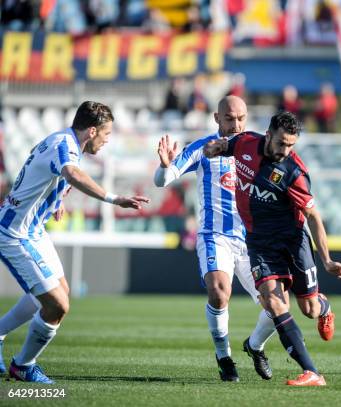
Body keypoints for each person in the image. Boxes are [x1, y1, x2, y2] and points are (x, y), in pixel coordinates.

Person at [0, 101, 150, 383]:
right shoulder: (65, 147)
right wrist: (113, 198)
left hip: (32, 229)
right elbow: (70, 173)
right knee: (57, 305)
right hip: (15, 233)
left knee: (60, 291)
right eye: (106, 134)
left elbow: (38, 168)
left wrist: (54, 200)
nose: (107, 140)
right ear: (92, 131)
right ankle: (23, 366)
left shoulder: (58, 140)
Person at [204, 111, 341, 386]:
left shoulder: (294, 173)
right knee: (273, 303)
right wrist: (215, 148)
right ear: (268, 135)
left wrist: (327, 260)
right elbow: (228, 145)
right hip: (258, 241)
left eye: (291, 145)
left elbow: (314, 217)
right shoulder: (246, 142)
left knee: (310, 309)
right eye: (282, 143)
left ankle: (324, 306)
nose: (286, 150)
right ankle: (312, 372)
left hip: (293, 241)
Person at [154, 96, 276, 382]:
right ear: (217, 118)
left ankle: (255, 345)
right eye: (230, 118)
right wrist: (163, 166)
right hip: (215, 236)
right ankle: (224, 356)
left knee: (276, 306)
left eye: (241, 118)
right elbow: (163, 179)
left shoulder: (259, 148)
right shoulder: (202, 147)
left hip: (252, 242)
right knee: (220, 292)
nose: (236, 124)